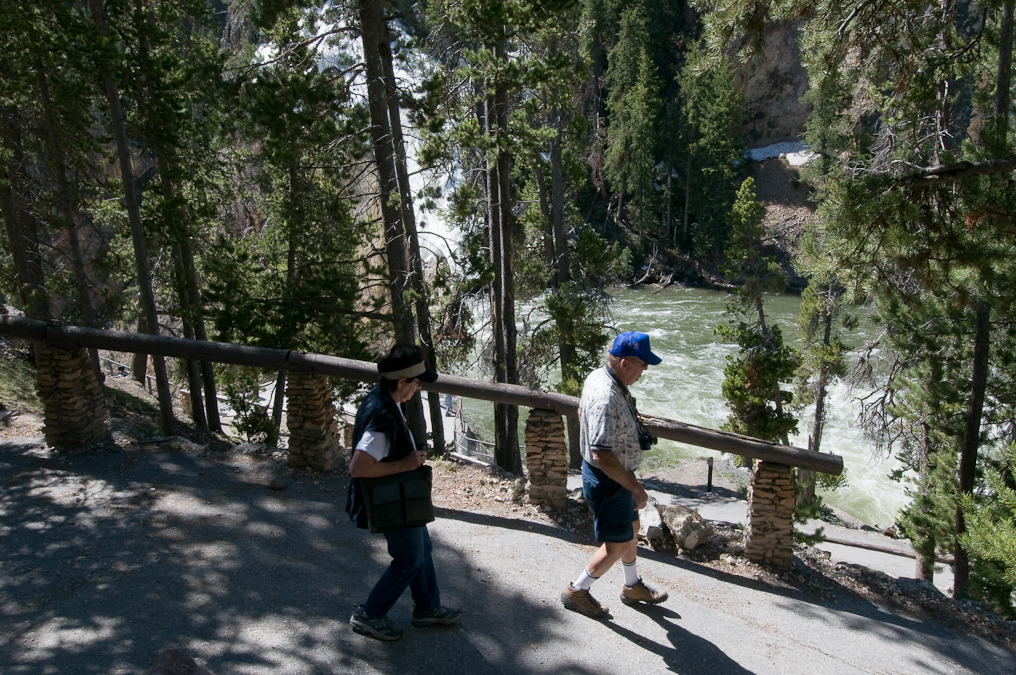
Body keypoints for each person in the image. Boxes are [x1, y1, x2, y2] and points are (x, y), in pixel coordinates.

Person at [345, 343, 461, 641]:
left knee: (423, 550)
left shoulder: (384, 398)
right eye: (416, 381)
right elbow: (358, 468)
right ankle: (369, 615)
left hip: (402, 498)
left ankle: (427, 609)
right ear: (402, 382)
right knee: (409, 559)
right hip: (391, 501)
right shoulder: (383, 417)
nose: (418, 387)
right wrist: (406, 463)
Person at [561, 331, 669, 619]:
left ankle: (632, 586)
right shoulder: (606, 396)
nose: (643, 372)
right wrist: (635, 488)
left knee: (631, 530)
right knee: (616, 544)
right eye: (642, 366)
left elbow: (583, 415)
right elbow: (602, 454)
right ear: (625, 364)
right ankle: (577, 590)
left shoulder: (599, 376)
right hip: (610, 480)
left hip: (615, 476)